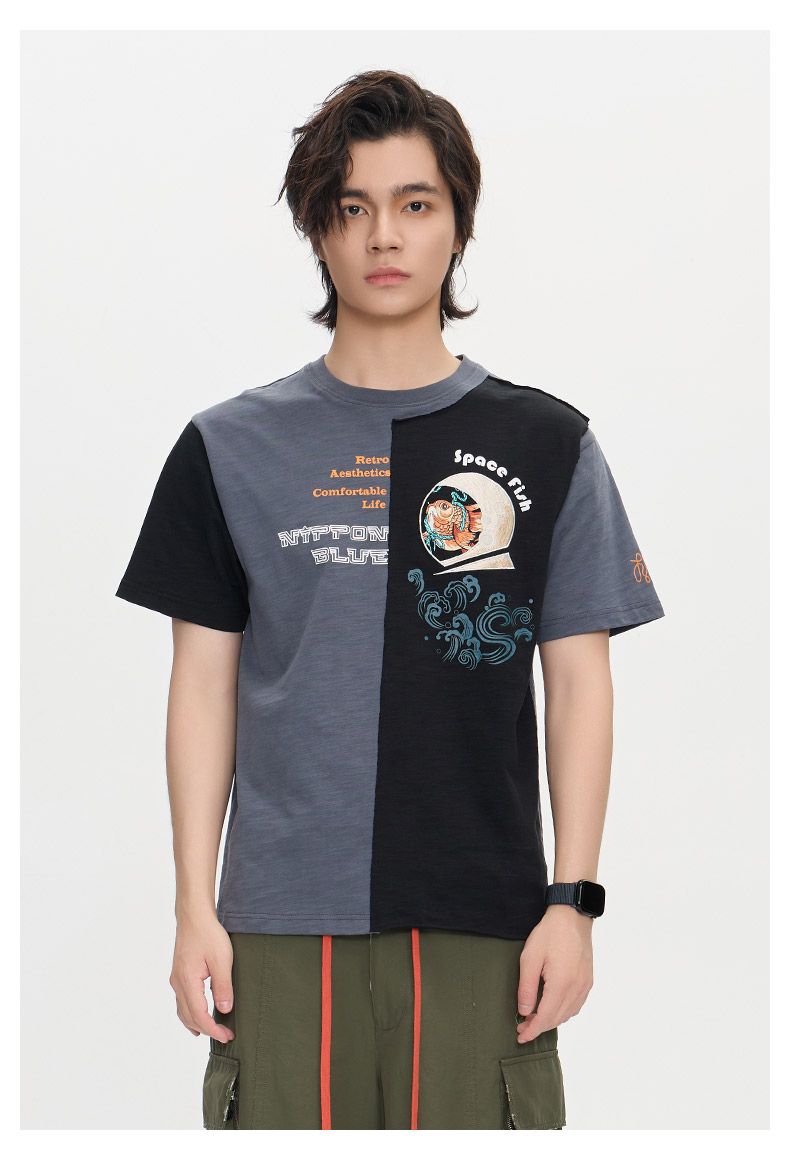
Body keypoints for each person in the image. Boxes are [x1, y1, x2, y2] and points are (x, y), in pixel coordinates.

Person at [115, 69, 665, 1130]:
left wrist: (573, 901)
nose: (384, 236)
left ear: (458, 224)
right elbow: (202, 687)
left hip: (487, 918)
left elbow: (579, 684)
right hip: (277, 922)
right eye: (351, 206)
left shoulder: (549, 444)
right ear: (316, 229)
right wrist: (192, 906)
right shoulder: (227, 447)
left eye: (415, 203)